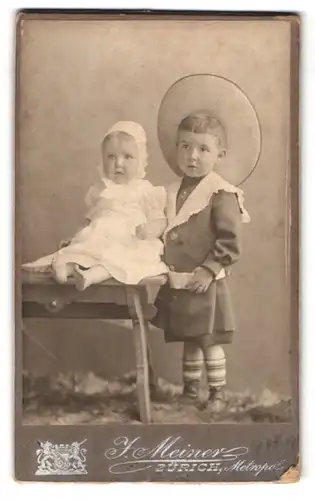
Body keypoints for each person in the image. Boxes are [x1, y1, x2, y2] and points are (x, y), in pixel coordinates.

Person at [153, 74, 260, 412]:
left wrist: (209, 269)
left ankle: (217, 394)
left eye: (203, 148)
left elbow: (230, 242)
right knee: (190, 339)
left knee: (209, 340)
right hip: (182, 281)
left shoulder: (220, 193)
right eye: (185, 146)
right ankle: (189, 392)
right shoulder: (172, 190)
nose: (193, 156)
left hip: (206, 282)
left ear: (220, 153)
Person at [22, 121, 168, 289]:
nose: (118, 163)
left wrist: (152, 228)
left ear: (141, 160)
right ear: (102, 159)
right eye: (111, 157)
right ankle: (65, 269)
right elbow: (91, 218)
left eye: (127, 157)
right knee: (81, 251)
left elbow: (159, 217)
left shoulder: (145, 190)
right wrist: (76, 236)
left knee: (121, 260)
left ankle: (89, 276)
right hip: (100, 236)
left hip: (128, 239)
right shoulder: (99, 190)